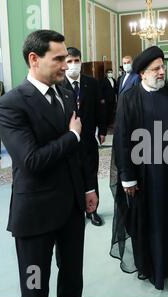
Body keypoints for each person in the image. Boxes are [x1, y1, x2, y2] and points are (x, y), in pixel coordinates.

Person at [0, 30, 98, 297]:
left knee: (72, 280)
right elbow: (31, 160)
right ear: (34, 59)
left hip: (72, 210)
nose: (67, 64)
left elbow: (80, 151)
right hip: (35, 216)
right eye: (59, 58)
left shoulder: (64, 95)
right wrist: (72, 135)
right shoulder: (9, 105)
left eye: (67, 58)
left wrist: (88, 188)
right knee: (35, 286)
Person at [110, 46, 168, 290]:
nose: (163, 72)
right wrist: (127, 177)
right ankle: (156, 265)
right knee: (153, 219)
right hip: (147, 175)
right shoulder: (130, 98)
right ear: (142, 73)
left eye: (163, 67)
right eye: (156, 69)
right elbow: (122, 140)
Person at [60, 46, 107, 227]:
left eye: (76, 61)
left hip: (88, 139)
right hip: (68, 140)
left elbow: (100, 109)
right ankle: (73, 210)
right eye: (69, 61)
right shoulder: (59, 84)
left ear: (81, 61)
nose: (73, 65)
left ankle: (92, 210)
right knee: (71, 175)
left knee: (90, 174)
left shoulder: (91, 83)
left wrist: (102, 130)